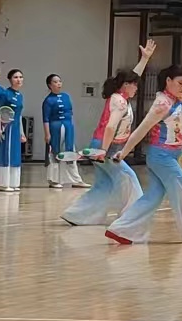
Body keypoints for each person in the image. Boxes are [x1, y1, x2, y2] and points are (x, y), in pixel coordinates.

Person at [106, 36, 182, 245]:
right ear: (168, 81)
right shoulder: (161, 104)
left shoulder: (180, 96)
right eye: (180, 83)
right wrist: (123, 153)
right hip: (161, 155)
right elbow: (142, 129)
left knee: (154, 196)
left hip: (173, 155)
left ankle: (120, 230)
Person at [62, 40, 156, 227]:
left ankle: (77, 215)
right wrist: (103, 151)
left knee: (104, 185)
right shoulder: (119, 102)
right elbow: (111, 127)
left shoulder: (120, 96)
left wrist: (145, 59)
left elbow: (133, 76)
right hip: (106, 147)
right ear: (126, 85)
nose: (137, 88)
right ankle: (133, 216)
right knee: (129, 178)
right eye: (134, 85)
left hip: (102, 145)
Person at [42, 74, 83, 189]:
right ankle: (54, 180)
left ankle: (75, 180)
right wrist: (47, 134)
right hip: (55, 128)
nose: (58, 84)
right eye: (55, 82)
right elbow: (45, 119)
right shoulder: (48, 100)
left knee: (70, 151)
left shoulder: (66, 96)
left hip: (68, 127)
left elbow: (70, 113)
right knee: (55, 152)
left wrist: (71, 126)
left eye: (59, 81)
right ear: (50, 85)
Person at [0, 70, 25, 192]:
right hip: (6, 127)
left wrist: (22, 133)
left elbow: (19, 115)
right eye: (15, 77)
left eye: (20, 77)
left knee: (14, 154)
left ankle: (13, 182)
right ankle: (3, 183)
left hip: (16, 128)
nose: (18, 79)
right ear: (10, 79)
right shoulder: (5, 94)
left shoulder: (20, 96)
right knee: (6, 154)